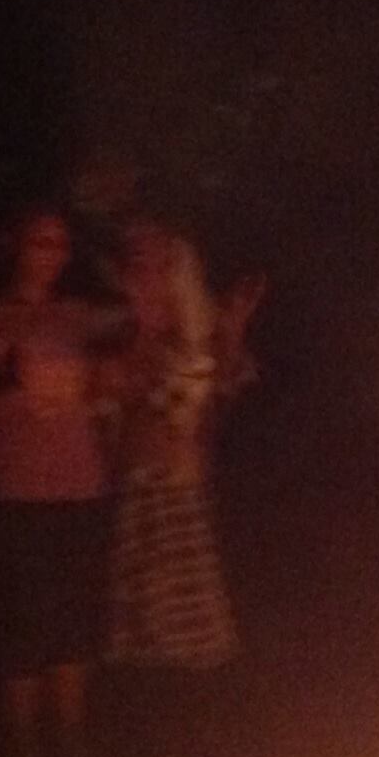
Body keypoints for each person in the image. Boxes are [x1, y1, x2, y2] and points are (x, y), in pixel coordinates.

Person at [0, 208, 122, 757]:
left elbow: (128, 342)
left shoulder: (75, 318)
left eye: (58, 244)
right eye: (39, 242)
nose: (50, 253)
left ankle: (71, 738)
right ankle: (23, 745)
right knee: (24, 619)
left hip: (79, 483)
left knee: (74, 616)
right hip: (20, 488)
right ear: (15, 248)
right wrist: (20, 397)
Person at [105, 222, 258, 671]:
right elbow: (117, 403)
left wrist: (231, 333)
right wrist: (144, 334)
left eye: (160, 264)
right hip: (138, 486)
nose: (148, 273)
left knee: (186, 621)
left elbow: (222, 398)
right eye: (139, 263)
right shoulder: (118, 328)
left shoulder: (198, 335)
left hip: (186, 487)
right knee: (145, 615)